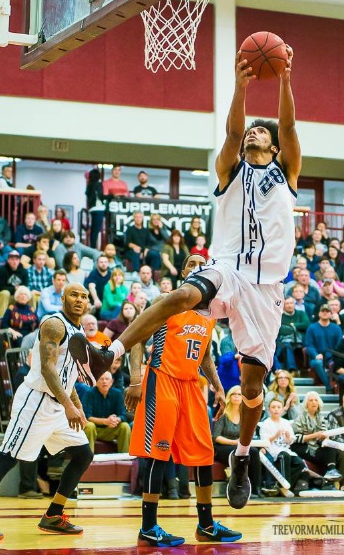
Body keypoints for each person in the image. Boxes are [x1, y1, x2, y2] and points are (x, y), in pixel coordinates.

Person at [99, 45, 301, 511]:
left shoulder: (286, 172)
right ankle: (110, 350)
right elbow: (233, 128)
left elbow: (288, 127)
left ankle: (244, 459)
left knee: (252, 388)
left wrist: (286, 79)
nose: (251, 133)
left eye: (258, 132)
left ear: (271, 147)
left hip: (266, 285)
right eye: (248, 131)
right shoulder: (229, 170)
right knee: (182, 293)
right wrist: (242, 86)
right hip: (227, 266)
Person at [125, 253, 241, 546]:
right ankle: (148, 526)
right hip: (161, 378)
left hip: (191, 385)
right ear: (182, 272)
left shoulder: (211, 313)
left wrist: (217, 386)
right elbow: (138, 339)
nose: (196, 268)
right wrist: (136, 380)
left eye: (202, 265)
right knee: (157, 452)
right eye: (191, 264)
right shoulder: (166, 301)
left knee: (203, 451)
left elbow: (204, 354)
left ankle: (206, 524)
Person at [0, 283, 94, 539]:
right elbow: (48, 369)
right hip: (37, 401)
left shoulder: (79, 332)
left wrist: (77, 405)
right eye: (74, 295)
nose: (79, 299)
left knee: (83, 454)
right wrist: (68, 405)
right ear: (63, 298)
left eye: (84, 296)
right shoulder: (54, 324)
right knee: (7, 457)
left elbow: (69, 374)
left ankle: (54, 515)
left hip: (59, 405)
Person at [213, 386, 262, 498]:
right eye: (234, 394)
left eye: (239, 394)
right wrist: (233, 442)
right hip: (222, 447)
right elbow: (216, 436)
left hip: (239, 445)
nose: (236, 396)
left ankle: (256, 488)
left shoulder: (245, 415)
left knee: (254, 452)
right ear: (229, 397)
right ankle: (236, 487)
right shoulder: (223, 413)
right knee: (237, 453)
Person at [259, 399, 310, 495]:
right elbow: (264, 442)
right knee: (284, 456)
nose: (276, 410)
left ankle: (284, 485)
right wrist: (275, 436)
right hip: (273, 451)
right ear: (269, 410)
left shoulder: (285, 422)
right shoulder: (266, 424)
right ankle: (284, 487)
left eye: (278, 407)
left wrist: (287, 438)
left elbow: (290, 441)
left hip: (286, 449)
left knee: (300, 464)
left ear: (282, 410)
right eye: (273, 407)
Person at [291, 391, 342, 481]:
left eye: (316, 400)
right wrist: (315, 435)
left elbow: (323, 433)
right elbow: (295, 438)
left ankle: (331, 471)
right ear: (306, 404)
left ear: (319, 403)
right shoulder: (300, 418)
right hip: (302, 447)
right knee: (326, 455)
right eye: (311, 400)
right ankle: (329, 475)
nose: (314, 402)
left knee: (331, 446)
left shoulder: (322, 418)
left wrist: (325, 438)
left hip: (316, 445)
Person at [83, 371, 131, 453]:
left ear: (111, 382)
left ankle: (125, 458)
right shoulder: (89, 393)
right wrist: (105, 421)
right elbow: (87, 417)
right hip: (95, 429)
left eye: (107, 379)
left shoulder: (117, 394)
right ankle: (88, 458)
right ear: (96, 381)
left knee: (125, 426)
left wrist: (116, 420)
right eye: (101, 379)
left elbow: (123, 415)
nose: (104, 381)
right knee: (89, 426)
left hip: (111, 429)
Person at [304, 304, 343, 391]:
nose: (325, 313)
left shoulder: (336, 328)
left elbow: (339, 345)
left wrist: (330, 355)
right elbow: (309, 345)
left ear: (330, 314)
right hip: (317, 358)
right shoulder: (312, 328)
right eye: (323, 311)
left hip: (332, 358)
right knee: (317, 363)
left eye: (327, 311)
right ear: (319, 313)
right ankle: (329, 386)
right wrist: (315, 355)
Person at [0, 250, 30, 317]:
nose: (14, 262)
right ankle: (1, 319)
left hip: (16, 296)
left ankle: (31, 318)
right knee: (5, 293)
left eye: (16, 259)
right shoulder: (1, 270)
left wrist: (20, 291)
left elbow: (25, 286)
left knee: (30, 294)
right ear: (8, 260)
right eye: (12, 259)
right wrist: (14, 288)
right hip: (0, 296)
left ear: (19, 261)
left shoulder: (24, 272)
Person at [86, 168, 105, 249]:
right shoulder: (98, 184)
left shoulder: (89, 185)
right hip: (99, 208)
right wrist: (110, 196)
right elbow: (101, 196)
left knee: (93, 230)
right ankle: (93, 248)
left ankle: (92, 246)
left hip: (92, 209)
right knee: (96, 230)